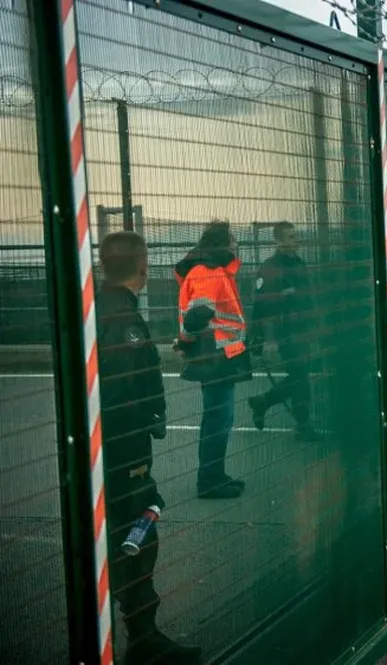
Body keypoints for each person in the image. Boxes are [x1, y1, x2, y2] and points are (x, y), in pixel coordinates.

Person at [97, 232, 202, 665]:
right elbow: (125, 391)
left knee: (127, 527)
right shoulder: (123, 320)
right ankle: (143, 636)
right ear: (141, 265)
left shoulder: (102, 309)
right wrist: (147, 424)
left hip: (111, 449)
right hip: (126, 452)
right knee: (140, 527)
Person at [174, 221, 252, 500]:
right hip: (217, 357)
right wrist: (185, 341)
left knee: (216, 418)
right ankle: (209, 481)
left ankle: (214, 474)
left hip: (217, 356)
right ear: (222, 244)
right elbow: (198, 315)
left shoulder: (209, 270)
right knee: (219, 419)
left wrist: (185, 341)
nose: (236, 246)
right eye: (232, 240)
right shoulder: (208, 272)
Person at [248, 222, 319, 441]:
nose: (295, 240)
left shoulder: (299, 263)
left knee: (300, 376)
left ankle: (263, 402)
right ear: (278, 241)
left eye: (295, 235)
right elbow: (259, 305)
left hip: (303, 330)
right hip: (286, 332)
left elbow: (307, 298)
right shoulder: (269, 268)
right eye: (290, 237)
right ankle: (303, 425)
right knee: (301, 376)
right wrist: (256, 338)